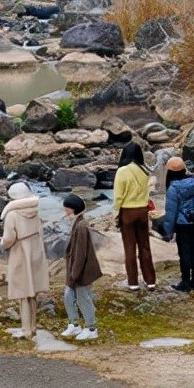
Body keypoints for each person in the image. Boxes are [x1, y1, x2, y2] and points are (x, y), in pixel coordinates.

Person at [0, 181, 49, 338]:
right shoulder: (35, 209)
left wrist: (2, 243)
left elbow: (8, 239)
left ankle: (25, 329)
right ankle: (33, 327)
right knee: (32, 292)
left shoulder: (12, 214)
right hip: (35, 251)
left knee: (22, 294)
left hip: (20, 253)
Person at [112, 142, 157, 290]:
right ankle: (150, 281)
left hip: (128, 212)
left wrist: (115, 215)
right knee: (145, 246)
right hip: (142, 212)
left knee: (130, 248)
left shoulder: (122, 171)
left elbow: (118, 197)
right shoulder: (144, 170)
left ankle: (133, 283)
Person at [60, 194, 102, 340]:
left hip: (81, 271)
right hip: (75, 270)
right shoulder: (77, 223)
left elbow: (80, 253)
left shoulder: (81, 226)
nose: (65, 211)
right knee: (68, 296)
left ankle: (91, 328)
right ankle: (74, 325)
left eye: (66, 208)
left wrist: (74, 274)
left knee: (83, 298)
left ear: (72, 209)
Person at [161, 156, 194, 292]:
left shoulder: (173, 188)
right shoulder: (193, 181)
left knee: (184, 252)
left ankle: (185, 283)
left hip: (183, 222)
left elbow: (170, 213)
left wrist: (167, 232)